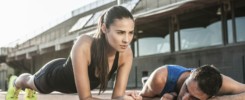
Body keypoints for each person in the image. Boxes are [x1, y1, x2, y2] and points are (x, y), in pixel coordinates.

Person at [6, 5, 136, 100]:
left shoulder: (126, 54)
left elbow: (117, 96)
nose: (126, 39)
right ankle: (15, 82)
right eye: (120, 32)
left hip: (68, 72)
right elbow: (85, 98)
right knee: (29, 81)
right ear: (104, 28)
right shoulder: (84, 44)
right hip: (53, 77)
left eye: (130, 33)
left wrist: (124, 98)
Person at [139, 64, 245, 100]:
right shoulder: (160, 78)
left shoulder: (218, 82)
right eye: (186, 88)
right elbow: (140, 98)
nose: (184, 98)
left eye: (193, 98)